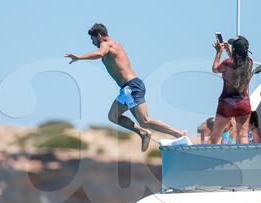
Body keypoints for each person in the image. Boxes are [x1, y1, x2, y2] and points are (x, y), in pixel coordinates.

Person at [65, 23, 185, 151]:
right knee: (114, 116)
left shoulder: (105, 45)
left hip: (132, 87)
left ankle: (178, 134)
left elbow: (100, 53)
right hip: (128, 88)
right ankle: (143, 133)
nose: (92, 42)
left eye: (92, 39)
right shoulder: (115, 44)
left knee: (144, 120)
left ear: (99, 36)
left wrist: (80, 57)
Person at [211, 36, 253, 144]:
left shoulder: (227, 63)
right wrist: (228, 50)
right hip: (243, 103)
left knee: (216, 135)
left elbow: (215, 68)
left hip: (226, 103)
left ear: (234, 50)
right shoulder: (249, 63)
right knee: (243, 136)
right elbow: (236, 64)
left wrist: (219, 51)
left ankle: (216, 160)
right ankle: (244, 160)